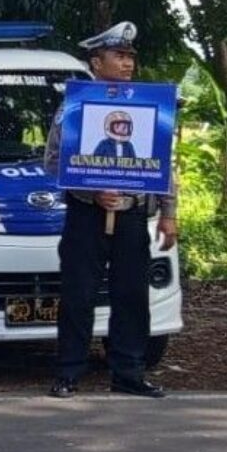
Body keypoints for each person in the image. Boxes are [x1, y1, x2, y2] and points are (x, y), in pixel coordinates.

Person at [43, 21, 178, 400]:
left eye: (130, 56)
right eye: (118, 56)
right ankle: (69, 373)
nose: (127, 63)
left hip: (132, 216)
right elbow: (53, 161)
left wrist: (169, 213)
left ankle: (129, 374)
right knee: (78, 295)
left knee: (132, 296)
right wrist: (91, 190)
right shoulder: (74, 107)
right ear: (96, 63)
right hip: (86, 216)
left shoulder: (149, 106)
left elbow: (163, 164)